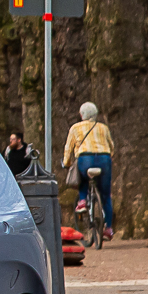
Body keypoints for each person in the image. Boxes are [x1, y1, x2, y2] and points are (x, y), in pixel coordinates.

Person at [61, 102, 115, 240]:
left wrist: (66, 163)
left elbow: (68, 148)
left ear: (81, 115)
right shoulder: (103, 127)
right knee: (106, 195)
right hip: (104, 158)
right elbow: (111, 146)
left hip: (85, 159)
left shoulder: (75, 128)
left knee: (83, 178)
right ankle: (108, 228)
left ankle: (83, 201)